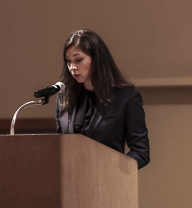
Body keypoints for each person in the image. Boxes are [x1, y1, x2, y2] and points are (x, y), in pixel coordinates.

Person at [55, 29, 150, 169]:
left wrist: (111, 170)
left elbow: (141, 152)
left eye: (78, 60)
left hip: (107, 183)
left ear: (97, 59)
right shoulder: (64, 98)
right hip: (70, 183)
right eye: (68, 61)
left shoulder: (126, 98)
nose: (72, 67)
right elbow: (60, 148)